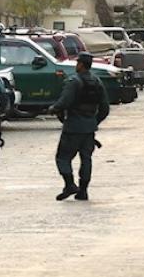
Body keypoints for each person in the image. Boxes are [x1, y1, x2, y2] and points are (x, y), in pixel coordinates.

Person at [48, 52, 109, 201]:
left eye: (77, 63)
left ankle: (70, 185)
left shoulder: (74, 82)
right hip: (89, 129)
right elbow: (105, 108)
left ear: (81, 64)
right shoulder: (97, 82)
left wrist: (53, 109)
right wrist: (94, 122)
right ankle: (83, 191)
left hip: (73, 127)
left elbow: (64, 102)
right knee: (86, 159)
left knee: (63, 158)